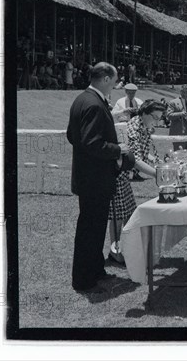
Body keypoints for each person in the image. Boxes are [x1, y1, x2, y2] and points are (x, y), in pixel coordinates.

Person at [67, 62, 134, 293]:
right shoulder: (94, 104)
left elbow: (72, 136)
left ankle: (96, 270)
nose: (115, 85)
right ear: (105, 78)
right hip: (95, 179)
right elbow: (92, 142)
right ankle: (84, 281)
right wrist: (118, 150)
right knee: (90, 230)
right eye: (114, 81)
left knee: (94, 229)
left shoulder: (81, 100)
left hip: (89, 177)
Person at [108, 99, 165, 265]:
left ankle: (126, 249)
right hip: (117, 175)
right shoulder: (134, 128)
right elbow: (135, 159)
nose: (156, 121)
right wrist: (157, 174)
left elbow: (144, 153)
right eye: (154, 117)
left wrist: (157, 162)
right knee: (118, 215)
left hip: (124, 175)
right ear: (145, 113)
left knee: (129, 213)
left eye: (159, 118)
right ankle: (116, 254)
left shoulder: (144, 126)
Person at [166, 84, 187, 150]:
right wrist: (180, 114)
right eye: (183, 92)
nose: (185, 94)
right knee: (179, 154)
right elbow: (168, 115)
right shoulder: (173, 102)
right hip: (178, 132)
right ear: (180, 92)